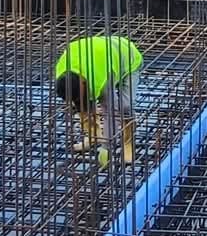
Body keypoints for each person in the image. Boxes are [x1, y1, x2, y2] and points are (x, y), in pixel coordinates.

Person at [52, 34, 143, 170]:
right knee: (82, 105)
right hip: (100, 52)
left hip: (127, 57)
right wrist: (78, 105)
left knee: (125, 106)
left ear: (83, 82)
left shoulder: (101, 79)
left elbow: (111, 112)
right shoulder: (62, 74)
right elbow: (78, 101)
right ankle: (93, 136)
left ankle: (128, 142)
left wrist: (106, 147)